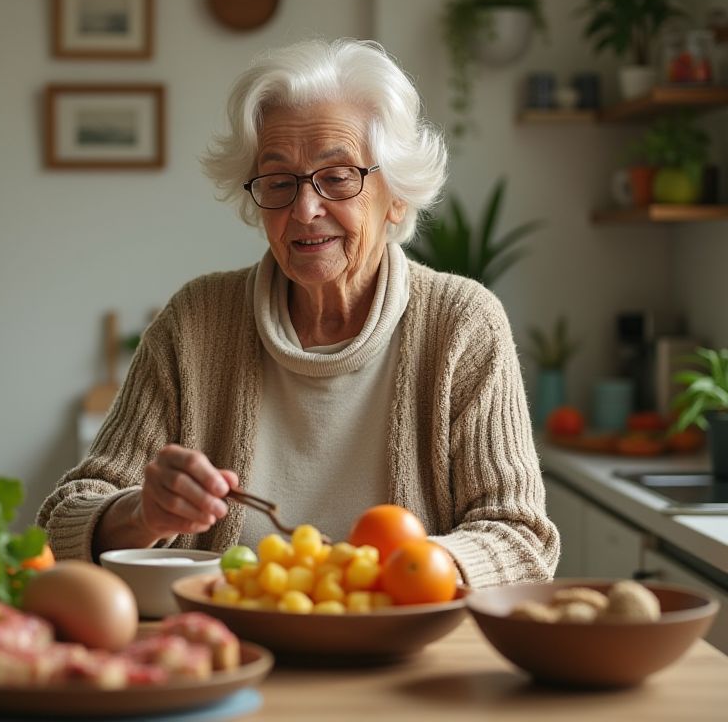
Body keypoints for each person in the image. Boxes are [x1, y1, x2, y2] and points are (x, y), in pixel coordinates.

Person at [37, 38, 559, 588]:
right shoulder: (195, 323)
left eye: (337, 177)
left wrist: (373, 580)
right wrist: (142, 514)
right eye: (279, 182)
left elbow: (519, 538)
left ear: (397, 195)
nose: (305, 209)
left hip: (397, 638)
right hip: (223, 634)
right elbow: (62, 524)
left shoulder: (463, 325)